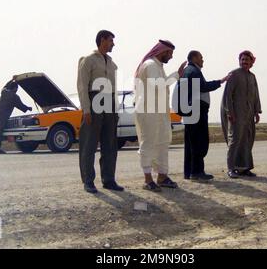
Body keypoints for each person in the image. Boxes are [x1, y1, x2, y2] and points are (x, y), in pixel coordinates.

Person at [134, 40, 186, 191]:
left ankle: (162, 176)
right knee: (148, 143)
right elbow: (158, 84)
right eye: (169, 53)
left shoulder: (158, 67)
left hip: (159, 111)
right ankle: (147, 179)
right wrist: (177, 75)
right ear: (162, 52)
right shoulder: (150, 65)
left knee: (163, 141)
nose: (170, 57)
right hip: (148, 111)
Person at [77, 30, 124, 194]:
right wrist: (86, 110)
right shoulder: (88, 60)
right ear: (102, 40)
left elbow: (114, 88)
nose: (113, 44)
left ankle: (109, 179)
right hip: (94, 100)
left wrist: (115, 109)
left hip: (109, 102)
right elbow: (82, 86)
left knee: (110, 143)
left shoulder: (111, 63)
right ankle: (88, 181)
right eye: (111, 40)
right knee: (89, 143)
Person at [182, 50, 230, 181]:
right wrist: (221, 81)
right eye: (201, 58)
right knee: (199, 142)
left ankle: (190, 172)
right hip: (196, 111)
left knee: (192, 143)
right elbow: (203, 86)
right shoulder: (193, 71)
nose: (203, 60)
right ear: (194, 58)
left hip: (191, 111)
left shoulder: (189, 71)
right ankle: (196, 172)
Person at [221, 51, 262, 179]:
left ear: (251, 62)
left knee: (247, 140)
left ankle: (244, 168)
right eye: (242, 59)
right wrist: (230, 112)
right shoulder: (234, 74)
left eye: (247, 60)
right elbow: (228, 95)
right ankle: (231, 168)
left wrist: (257, 111)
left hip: (248, 114)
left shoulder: (252, 77)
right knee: (235, 140)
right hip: (236, 114)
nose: (244, 62)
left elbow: (255, 95)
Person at [0, 80, 32, 154]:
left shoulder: (4, 92)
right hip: (3, 115)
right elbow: (22, 106)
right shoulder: (14, 97)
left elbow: (5, 86)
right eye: (17, 89)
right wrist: (28, 108)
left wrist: (12, 80)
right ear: (15, 88)